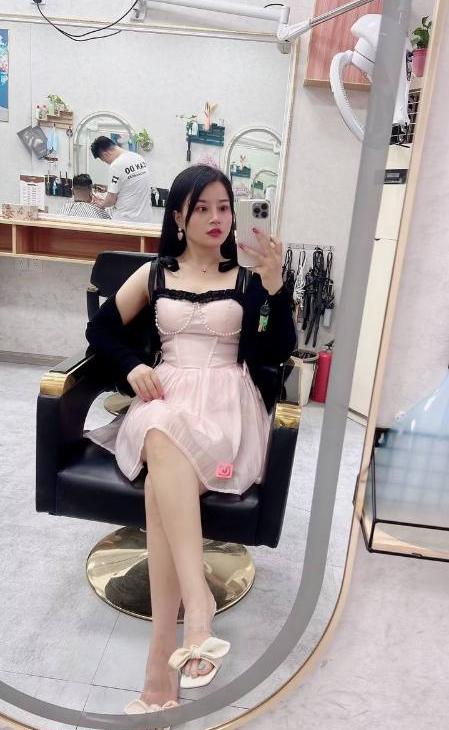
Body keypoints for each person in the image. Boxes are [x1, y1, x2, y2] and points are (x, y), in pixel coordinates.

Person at [85, 164, 296, 717]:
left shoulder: (249, 280)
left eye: (223, 207)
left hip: (227, 406)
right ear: (178, 216)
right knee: (159, 429)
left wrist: (277, 288)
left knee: (162, 479)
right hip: (163, 395)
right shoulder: (154, 273)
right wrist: (131, 366)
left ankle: (160, 669)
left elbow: (276, 351)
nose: (215, 218)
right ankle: (195, 615)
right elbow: (101, 330)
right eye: (201, 208)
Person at [90, 136, 152, 223]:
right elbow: (130, 186)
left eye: (105, 161)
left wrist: (102, 204)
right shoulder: (139, 158)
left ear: (105, 154)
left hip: (125, 221)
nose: (108, 163)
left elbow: (111, 200)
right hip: (145, 219)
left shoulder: (116, 165)